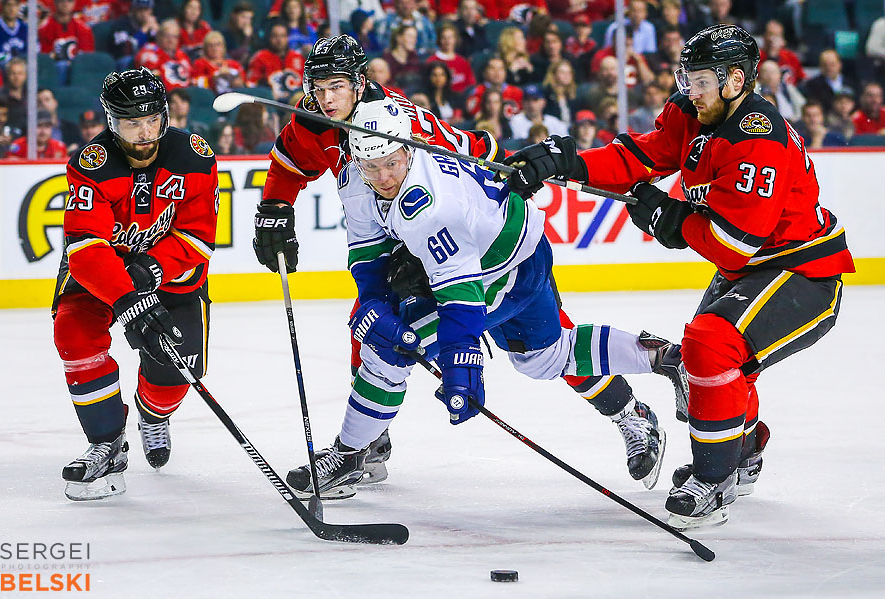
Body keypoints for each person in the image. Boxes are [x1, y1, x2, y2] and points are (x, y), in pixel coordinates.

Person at [501, 24, 855, 529]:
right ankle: (744, 449)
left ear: (737, 79)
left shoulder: (760, 142)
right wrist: (572, 164)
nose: (690, 90)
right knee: (708, 361)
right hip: (753, 267)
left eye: (702, 80)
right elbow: (642, 157)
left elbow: (734, 242)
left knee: (711, 345)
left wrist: (672, 219)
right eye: (686, 78)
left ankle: (713, 478)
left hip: (802, 271)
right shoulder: (696, 111)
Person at [283, 96, 678, 500]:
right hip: (514, 244)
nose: (384, 176)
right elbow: (368, 251)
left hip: (501, 264)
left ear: (408, 147)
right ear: (354, 158)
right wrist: (372, 302)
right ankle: (661, 358)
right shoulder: (356, 176)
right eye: (372, 166)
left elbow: (463, 298)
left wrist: (461, 365)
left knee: (390, 353)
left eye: (393, 163)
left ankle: (348, 457)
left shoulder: (428, 205)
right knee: (544, 358)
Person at [252, 35, 504, 483]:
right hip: (386, 230)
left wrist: (497, 157)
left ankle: (361, 444)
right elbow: (288, 162)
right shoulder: (314, 119)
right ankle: (367, 442)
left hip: (451, 235)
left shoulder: (394, 123)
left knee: (542, 344)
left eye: (337, 86)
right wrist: (274, 208)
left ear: (360, 82)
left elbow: (464, 152)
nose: (326, 98)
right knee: (371, 324)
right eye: (318, 86)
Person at [53, 67, 219, 501]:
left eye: (151, 120)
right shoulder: (92, 165)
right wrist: (128, 298)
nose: (144, 133)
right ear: (111, 122)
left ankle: (153, 413)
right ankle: (106, 443)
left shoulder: (195, 157)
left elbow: (198, 238)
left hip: (170, 275)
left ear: (165, 115)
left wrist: (149, 272)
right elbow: (86, 247)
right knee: (73, 332)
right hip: (103, 275)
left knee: (177, 366)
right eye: (131, 123)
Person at [247, 22, 305, 101]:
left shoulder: (298, 57)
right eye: (275, 36)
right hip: (272, 102)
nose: (279, 40)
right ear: (269, 38)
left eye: (282, 36)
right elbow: (251, 85)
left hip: (295, 101)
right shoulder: (260, 57)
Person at [134, 18, 192, 91]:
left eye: (174, 37)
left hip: (185, 95)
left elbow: (190, 77)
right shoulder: (149, 51)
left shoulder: (182, 55)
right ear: (158, 36)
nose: (171, 40)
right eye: (167, 36)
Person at [0, 0, 27, 66]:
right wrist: (11, 58)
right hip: (1, 70)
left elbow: (34, 51)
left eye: (15, 5)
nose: (12, 9)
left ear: (19, 7)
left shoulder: (25, 28)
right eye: (9, 5)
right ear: (3, 7)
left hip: (23, 69)